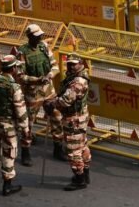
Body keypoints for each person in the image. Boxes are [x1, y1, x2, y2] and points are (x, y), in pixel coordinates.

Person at [17, 24, 64, 166]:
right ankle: (25, 151)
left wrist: (49, 75)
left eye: (40, 36)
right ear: (30, 37)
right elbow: (20, 76)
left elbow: (55, 66)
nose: (39, 38)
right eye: (37, 36)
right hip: (33, 94)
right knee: (28, 123)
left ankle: (58, 148)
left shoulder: (44, 47)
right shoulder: (22, 52)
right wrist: (36, 80)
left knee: (57, 118)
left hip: (49, 91)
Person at [0, 55, 30, 196]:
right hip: (7, 125)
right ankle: (7, 186)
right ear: (14, 68)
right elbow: (21, 111)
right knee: (9, 153)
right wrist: (25, 130)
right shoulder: (14, 87)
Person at [44, 57, 91, 191]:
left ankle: (79, 179)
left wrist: (53, 103)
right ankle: (85, 173)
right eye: (69, 64)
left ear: (81, 65)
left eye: (74, 65)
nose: (70, 67)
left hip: (74, 119)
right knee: (82, 146)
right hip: (78, 117)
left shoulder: (78, 81)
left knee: (73, 150)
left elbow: (66, 100)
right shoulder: (75, 76)